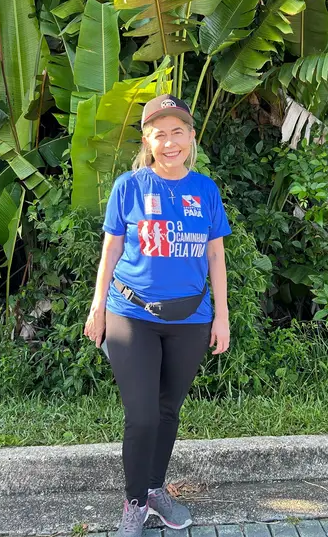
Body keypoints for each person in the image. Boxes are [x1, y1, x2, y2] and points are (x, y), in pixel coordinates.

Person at [84, 93, 231, 537]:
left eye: (177, 132)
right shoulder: (129, 187)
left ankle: (154, 487)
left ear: (191, 136)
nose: (170, 143)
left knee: (168, 411)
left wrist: (221, 316)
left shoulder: (205, 189)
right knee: (143, 415)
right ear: (147, 140)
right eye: (159, 134)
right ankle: (134, 503)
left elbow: (216, 255)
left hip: (191, 318)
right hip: (132, 313)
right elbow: (111, 248)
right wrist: (98, 306)